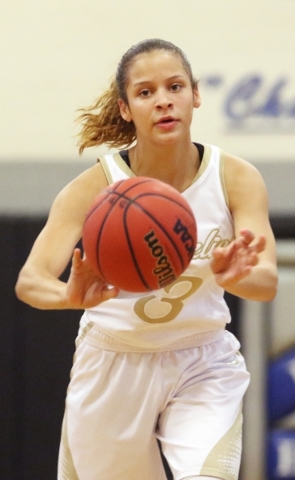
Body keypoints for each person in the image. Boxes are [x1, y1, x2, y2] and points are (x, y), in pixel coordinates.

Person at [15, 38, 278, 480]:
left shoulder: (236, 177)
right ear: (124, 108)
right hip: (113, 362)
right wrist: (69, 296)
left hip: (202, 359)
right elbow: (30, 279)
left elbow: (266, 281)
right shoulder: (95, 187)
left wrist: (237, 276)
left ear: (195, 95)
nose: (163, 102)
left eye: (174, 87)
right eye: (145, 92)